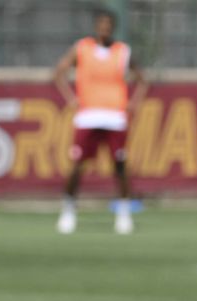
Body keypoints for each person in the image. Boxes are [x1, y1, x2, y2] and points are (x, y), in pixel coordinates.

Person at [53, 8, 148, 235]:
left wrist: (134, 103)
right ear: (96, 26)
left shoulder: (122, 51)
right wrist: (71, 99)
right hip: (88, 115)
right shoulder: (82, 48)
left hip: (115, 116)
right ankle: (68, 211)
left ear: (113, 27)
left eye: (109, 25)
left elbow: (142, 79)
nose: (105, 28)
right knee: (77, 165)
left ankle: (123, 214)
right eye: (101, 24)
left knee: (120, 167)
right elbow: (59, 71)